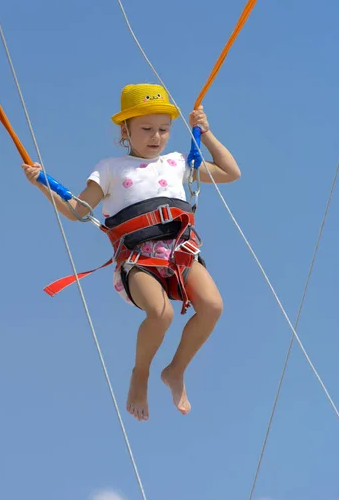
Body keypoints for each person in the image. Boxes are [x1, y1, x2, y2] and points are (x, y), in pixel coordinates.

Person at [22, 84, 241, 421]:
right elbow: (78, 210)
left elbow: (230, 173)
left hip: (179, 251)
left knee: (212, 307)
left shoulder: (178, 162)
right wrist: (42, 182)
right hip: (138, 258)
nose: (156, 137)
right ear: (125, 130)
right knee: (161, 313)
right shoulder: (111, 168)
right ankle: (141, 373)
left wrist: (207, 135)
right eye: (146, 129)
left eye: (164, 129)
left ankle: (175, 370)